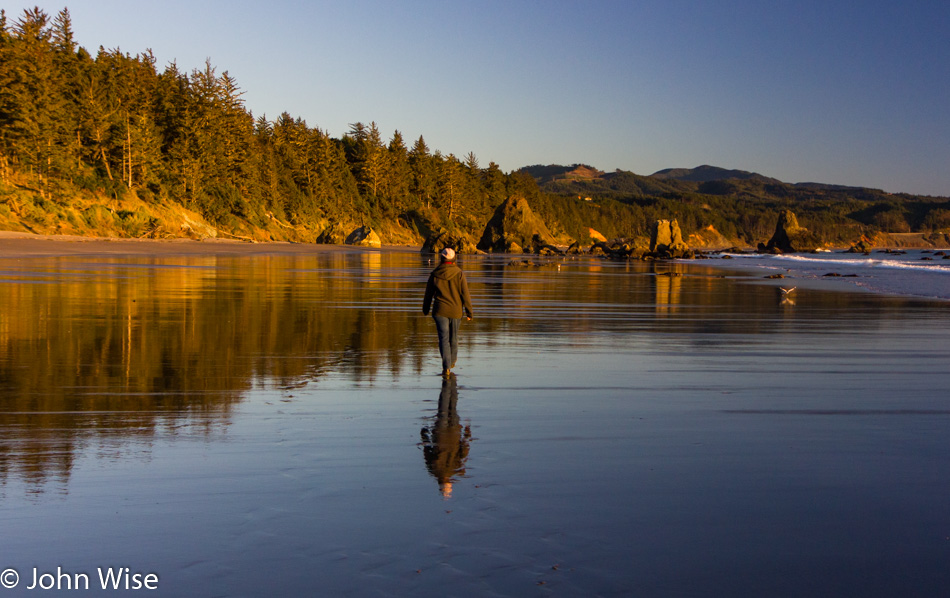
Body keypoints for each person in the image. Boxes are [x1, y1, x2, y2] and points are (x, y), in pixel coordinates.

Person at [422, 247, 473, 377]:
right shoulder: (459, 273)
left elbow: (428, 294)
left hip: (440, 311)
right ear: (454, 259)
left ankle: (446, 366)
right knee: (453, 338)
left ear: (441, 258)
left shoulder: (435, 274)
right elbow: (465, 294)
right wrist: (469, 312)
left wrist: (425, 309)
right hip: (456, 311)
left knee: (443, 339)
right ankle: (451, 361)